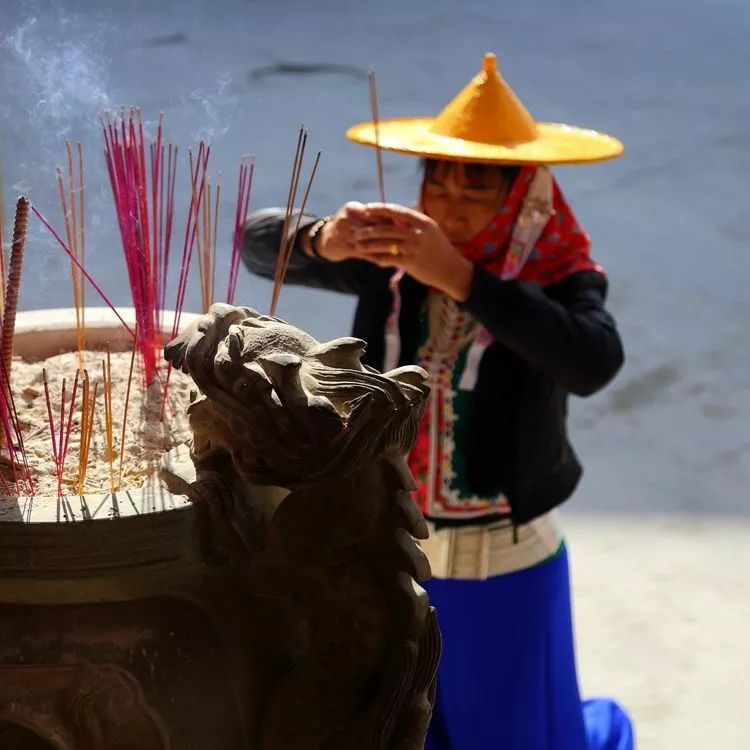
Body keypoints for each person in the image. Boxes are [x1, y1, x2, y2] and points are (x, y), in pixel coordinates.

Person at [243, 52, 634, 750]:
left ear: (517, 196)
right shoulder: (392, 259)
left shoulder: (554, 272)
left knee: (507, 730)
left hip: (501, 561)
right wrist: (323, 240)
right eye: (438, 184)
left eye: (474, 190)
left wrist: (462, 277)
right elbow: (255, 240)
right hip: (388, 547)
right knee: (401, 724)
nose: (447, 207)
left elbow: (594, 360)